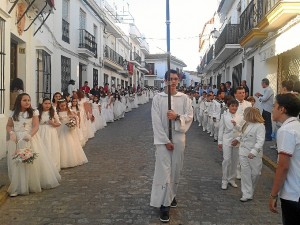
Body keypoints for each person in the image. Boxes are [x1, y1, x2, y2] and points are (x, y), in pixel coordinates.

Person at [150, 69, 193, 223]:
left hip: (179, 138)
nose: (173, 82)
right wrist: (165, 140)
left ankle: (171, 194)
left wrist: (177, 117)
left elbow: (189, 116)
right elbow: (155, 121)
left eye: (176, 79)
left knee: (176, 169)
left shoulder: (185, 98)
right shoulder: (158, 98)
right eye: (170, 79)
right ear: (165, 80)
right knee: (163, 171)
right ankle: (164, 205)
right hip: (163, 141)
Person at [6, 93, 61, 197]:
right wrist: (11, 133)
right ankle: (19, 186)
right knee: (17, 163)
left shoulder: (33, 112)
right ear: (19, 101)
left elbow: (36, 126)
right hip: (17, 140)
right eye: (25, 100)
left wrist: (29, 135)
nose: (27, 102)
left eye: (29, 100)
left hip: (30, 138)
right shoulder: (13, 113)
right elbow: (9, 126)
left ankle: (32, 183)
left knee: (31, 161)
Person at [269, 93, 300, 225]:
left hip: (293, 193)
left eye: (274, 106)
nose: (272, 109)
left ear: (282, 109)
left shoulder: (286, 130)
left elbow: (283, 166)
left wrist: (273, 194)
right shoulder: (297, 126)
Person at [232, 107, 265, 202]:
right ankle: (246, 194)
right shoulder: (246, 124)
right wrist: (237, 140)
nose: (243, 116)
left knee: (255, 173)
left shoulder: (260, 126)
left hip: (254, 154)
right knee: (245, 173)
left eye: (245, 114)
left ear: (250, 115)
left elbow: (260, 141)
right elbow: (242, 134)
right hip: (243, 152)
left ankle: (250, 190)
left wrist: (254, 152)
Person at [218, 98, 243, 190]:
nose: (234, 108)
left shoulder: (241, 116)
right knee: (226, 160)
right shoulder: (224, 116)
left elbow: (242, 130)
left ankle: (231, 179)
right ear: (228, 106)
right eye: (232, 106)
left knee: (235, 161)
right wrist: (220, 141)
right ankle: (224, 180)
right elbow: (221, 129)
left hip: (236, 140)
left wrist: (238, 139)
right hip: (227, 140)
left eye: (236, 106)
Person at [56, 99, 88, 168]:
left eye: (64, 105)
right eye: (61, 106)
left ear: (66, 105)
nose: (63, 107)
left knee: (69, 141)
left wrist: (73, 121)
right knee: (60, 142)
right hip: (60, 128)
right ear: (58, 106)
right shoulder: (57, 112)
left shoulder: (69, 111)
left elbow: (75, 117)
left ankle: (71, 158)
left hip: (67, 128)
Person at [37, 98, 61, 171]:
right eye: (45, 103)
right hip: (40, 131)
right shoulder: (38, 112)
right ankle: (42, 166)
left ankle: (52, 165)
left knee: (51, 147)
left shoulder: (52, 112)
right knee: (42, 147)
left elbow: (59, 123)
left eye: (49, 103)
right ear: (42, 104)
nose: (47, 105)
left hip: (51, 132)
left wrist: (53, 123)